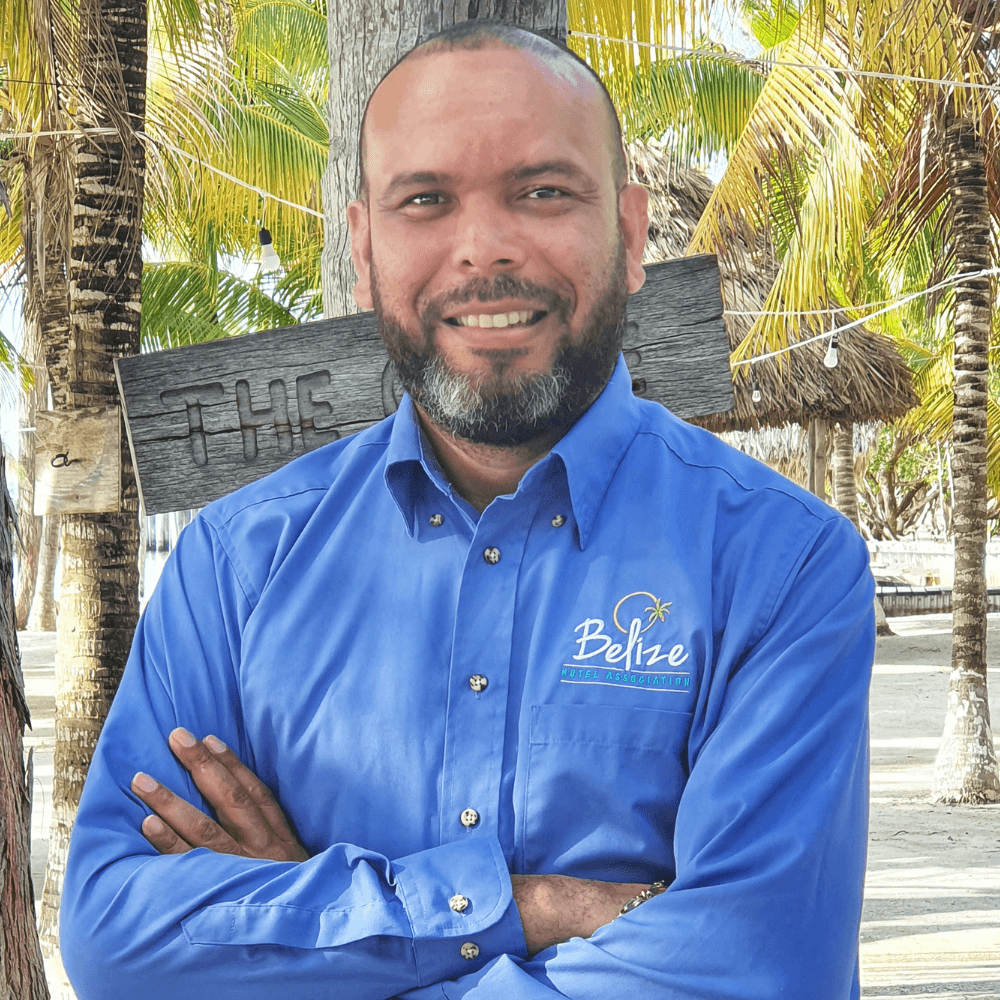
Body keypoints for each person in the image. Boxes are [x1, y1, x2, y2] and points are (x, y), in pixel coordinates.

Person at [60, 21, 875, 1000]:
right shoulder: (237, 563)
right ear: (363, 251)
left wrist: (306, 935)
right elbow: (116, 938)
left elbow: (750, 967)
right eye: (426, 200)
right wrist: (518, 906)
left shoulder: (779, 564)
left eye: (541, 191)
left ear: (625, 233)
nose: (483, 248)